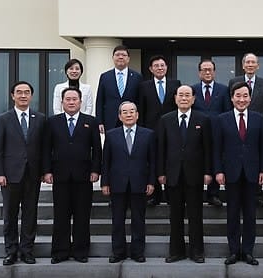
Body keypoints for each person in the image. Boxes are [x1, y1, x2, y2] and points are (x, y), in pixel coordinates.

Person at [43, 87, 102, 264]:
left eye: (74, 99)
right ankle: (60, 251)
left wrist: (95, 170)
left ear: (80, 102)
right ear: (62, 102)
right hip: (59, 176)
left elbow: (97, 150)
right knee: (60, 215)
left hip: (84, 176)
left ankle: (80, 251)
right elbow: (46, 148)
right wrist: (46, 171)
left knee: (82, 215)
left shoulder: (90, 121)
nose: (71, 102)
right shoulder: (52, 122)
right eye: (67, 99)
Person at [0, 81, 46, 266]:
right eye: (19, 92)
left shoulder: (40, 118)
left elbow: (44, 148)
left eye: (27, 92)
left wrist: (45, 171)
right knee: (10, 215)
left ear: (31, 96)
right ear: (12, 96)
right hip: (10, 176)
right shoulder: (3, 119)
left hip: (33, 175)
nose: (23, 95)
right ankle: (11, 251)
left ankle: (27, 251)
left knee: (31, 214)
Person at [214, 81, 263, 266]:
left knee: (250, 214)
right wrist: (218, 170)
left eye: (245, 96)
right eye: (238, 96)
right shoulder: (222, 119)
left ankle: (248, 252)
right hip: (231, 173)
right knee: (233, 213)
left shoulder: (258, 118)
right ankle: (233, 251)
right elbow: (217, 148)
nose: (241, 99)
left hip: (253, 172)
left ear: (250, 98)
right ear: (231, 98)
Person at [157, 85, 212, 264]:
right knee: (175, 215)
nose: (184, 98)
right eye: (180, 95)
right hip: (172, 175)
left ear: (194, 99)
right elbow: (161, 148)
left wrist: (207, 172)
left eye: (187, 95)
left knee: (196, 215)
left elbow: (207, 149)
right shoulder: (166, 119)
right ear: (175, 98)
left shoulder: (202, 119)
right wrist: (161, 173)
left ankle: (197, 251)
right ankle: (176, 251)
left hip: (195, 175)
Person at [101, 101, 156, 264]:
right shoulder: (111, 135)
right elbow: (106, 161)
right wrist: (105, 182)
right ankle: (118, 251)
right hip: (117, 183)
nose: (129, 114)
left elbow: (152, 161)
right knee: (117, 220)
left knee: (138, 220)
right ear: (119, 116)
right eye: (125, 112)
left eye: (132, 111)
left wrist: (152, 182)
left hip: (140, 183)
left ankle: (137, 252)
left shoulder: (148, 134)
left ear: (137, 115)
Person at [228, 53, 263, 207]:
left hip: (256, 127)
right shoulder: (234, 81)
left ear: (258, 65)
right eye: (248, 62)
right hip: (238, 126)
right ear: (243, 65)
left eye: (253, 62)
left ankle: (258, 194)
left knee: (255, 158)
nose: (250, 65)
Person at [138, 55, 181, 207]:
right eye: (156, 66)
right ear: (151, 69)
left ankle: (170, 194)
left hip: (171, 129)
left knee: (170, 160)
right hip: (150, 130)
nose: (160, 68)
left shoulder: (175, 84)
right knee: (153, 161)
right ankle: (155, 195)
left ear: (167, 67)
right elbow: (141, 110)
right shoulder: (144, 86)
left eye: (162, 65)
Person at [191, 59, 232, 207]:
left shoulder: (223, 90)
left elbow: (227, 111)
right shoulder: (193, 90)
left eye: (210, 70)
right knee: (197, 161)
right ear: (199, 72)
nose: (207, 72)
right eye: (204, 70)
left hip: (217, 131)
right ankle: (196, 193)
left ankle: (212, 194)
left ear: (214, 72)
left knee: (215, 159)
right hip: (196, 132)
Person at [95, 45, 143, 133]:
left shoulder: (137, 77)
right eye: (117, 55)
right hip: (110, 120)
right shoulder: (105, 77)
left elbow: (140, 101)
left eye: (123, 55)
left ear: (128, 59)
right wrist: (99, 121)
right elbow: (100, 100)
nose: (120, 57)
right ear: (113, 58)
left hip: (131, 119)